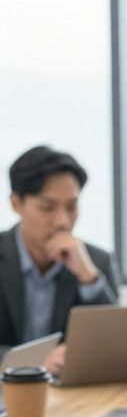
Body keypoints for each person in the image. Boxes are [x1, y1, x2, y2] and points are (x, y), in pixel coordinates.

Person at [0, 146, 120, 376]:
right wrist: (34, 360)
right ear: (16, 203)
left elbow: (115, 347)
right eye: (47, 207)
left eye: (71, 207)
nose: (62, 222)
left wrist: (88, 278)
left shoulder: (96, 261)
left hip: (70, 398)